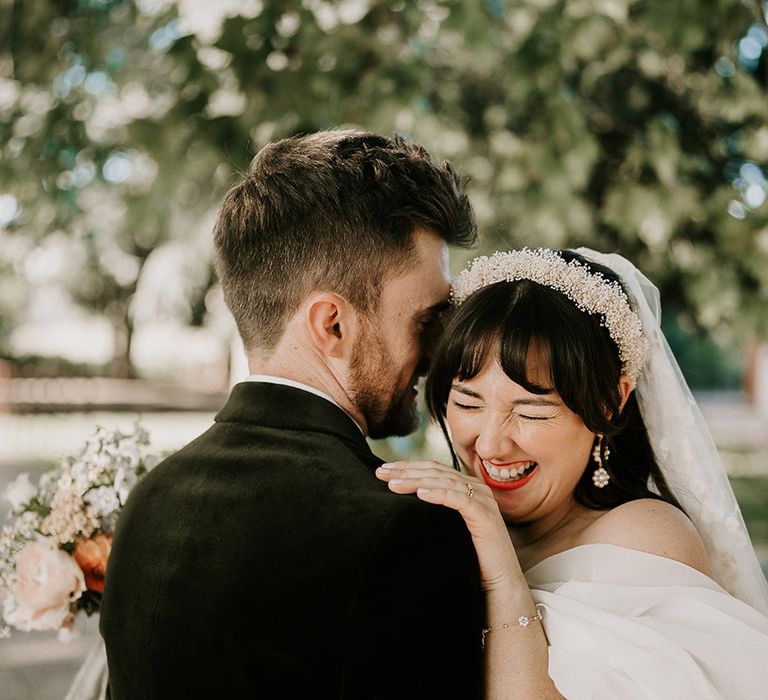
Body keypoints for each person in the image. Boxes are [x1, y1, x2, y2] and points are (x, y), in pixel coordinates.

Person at [98, 130, 486, 699]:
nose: (438, 354)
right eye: (425, 321)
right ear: (333, 324)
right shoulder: (403, 534)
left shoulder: (150, 498)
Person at [376, 247, 768, 698]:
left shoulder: (644, 540)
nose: (489, 444)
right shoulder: (431, 520)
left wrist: (503, 577)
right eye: (467, 403)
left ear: (610, 402)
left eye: (532, 412)